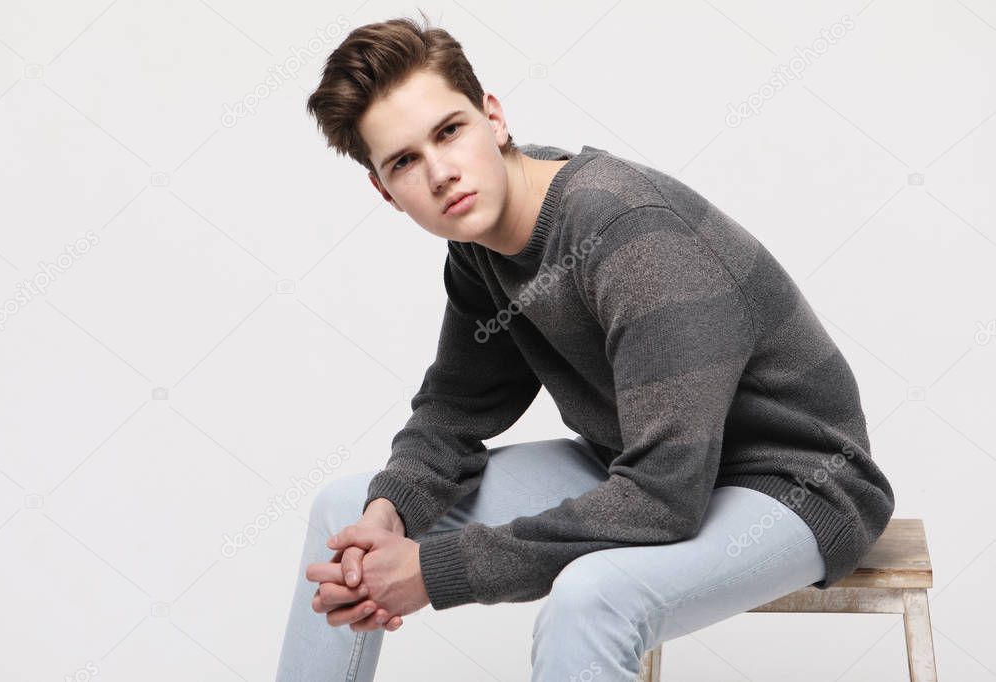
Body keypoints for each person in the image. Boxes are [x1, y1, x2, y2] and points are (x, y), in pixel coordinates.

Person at [276, 11, 896, 681]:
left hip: (791, 483)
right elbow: (456, 408)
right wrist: (387, 510)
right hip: (639, 461)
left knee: (590, 598)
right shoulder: (477, 249)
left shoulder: (630, 233)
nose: (440, 173)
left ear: (493, 117)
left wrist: (435, 570)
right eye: (404, 161)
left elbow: (663, 499)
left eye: (449, 132)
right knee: (348, 509)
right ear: (384, 191)